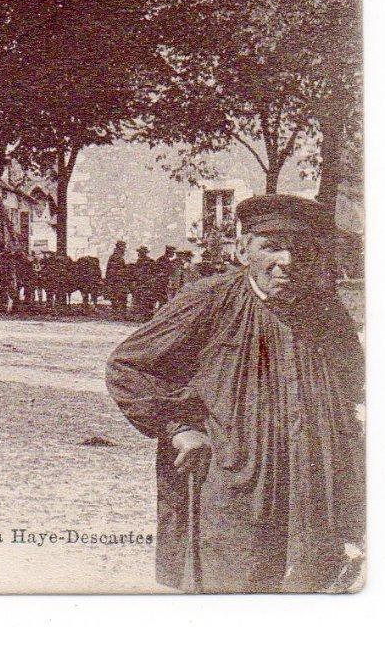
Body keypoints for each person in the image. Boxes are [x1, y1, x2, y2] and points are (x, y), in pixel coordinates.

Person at [106, 195, 364, 593]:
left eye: (300, 249)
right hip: (235, 482)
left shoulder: (326, 311)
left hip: (312, 486)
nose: (287, 261)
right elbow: (129, 367)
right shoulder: (210, 299)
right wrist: (177, 428)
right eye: (271, 246)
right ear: (244, 250)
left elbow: (354, 384)